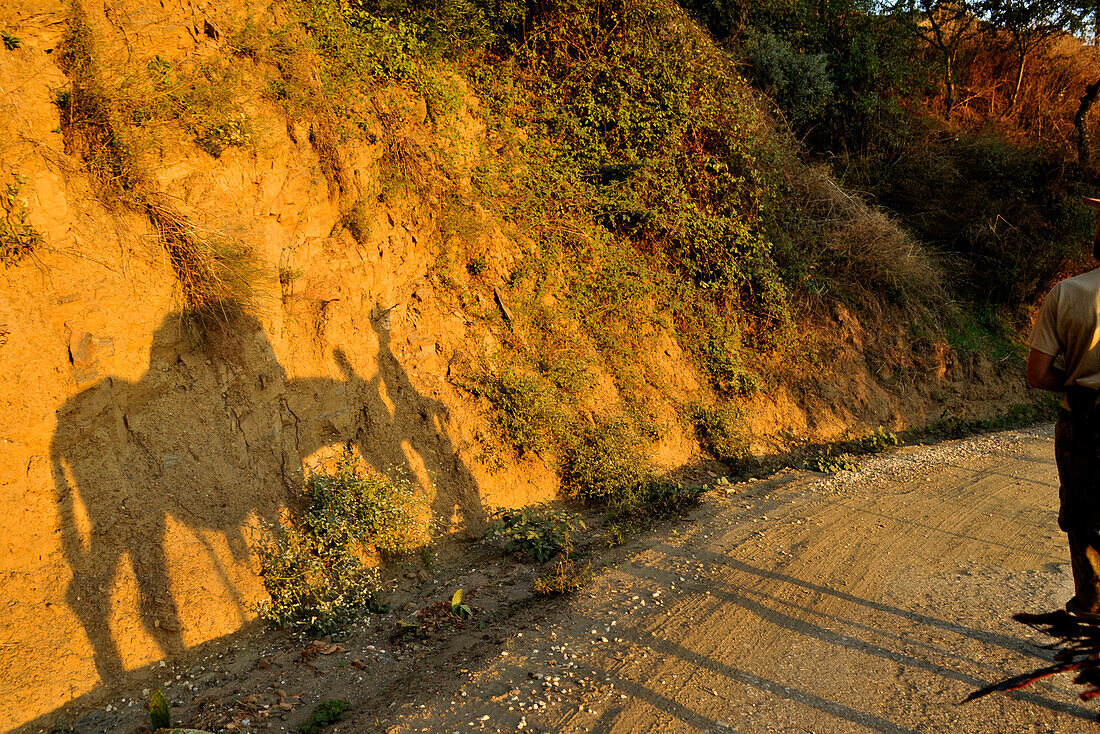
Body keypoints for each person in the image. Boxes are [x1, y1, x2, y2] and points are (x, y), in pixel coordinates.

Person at [1027, 196, 1100, 618]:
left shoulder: (1068, 293)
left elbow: (1037, 375)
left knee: (1084, 519)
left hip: (1084, 421)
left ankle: (1092, 606)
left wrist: (1077, 381)